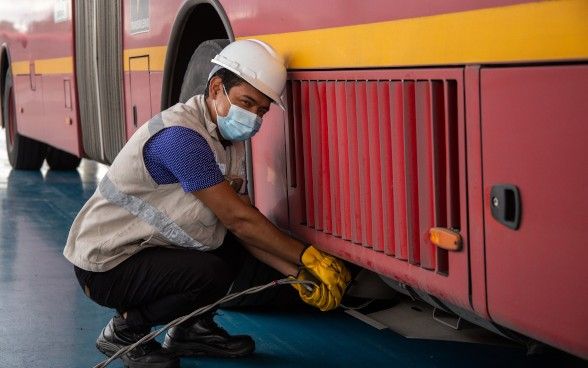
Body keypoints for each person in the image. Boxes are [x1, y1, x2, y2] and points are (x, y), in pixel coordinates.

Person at [63, 39, 351, 368]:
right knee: (209, 271)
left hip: (143, 249)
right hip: (105, 264)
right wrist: (308, 256)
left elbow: (244, 229)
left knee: (232, 246)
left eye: (261, 111)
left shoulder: (228, 139)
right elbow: (238, 219)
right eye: (247, 102)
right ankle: (126, 330)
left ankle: (191, 331)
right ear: (216, 88)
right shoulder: (181, 137)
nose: (254, 118)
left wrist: (301, 274)